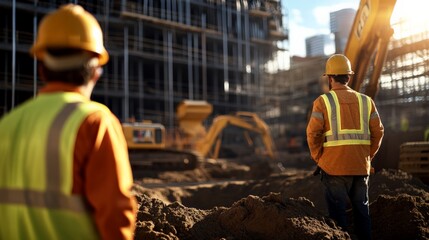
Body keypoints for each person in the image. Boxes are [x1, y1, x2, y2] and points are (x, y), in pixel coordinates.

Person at [0, 4, 136, 239]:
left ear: (42, 69)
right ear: (95, 70)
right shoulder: (94, 122)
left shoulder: (7, 124)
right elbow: (115, 214)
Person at [306, 54, 384, 240]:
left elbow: (312, 134)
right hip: (360, 167)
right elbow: (379, 133)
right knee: (362, 212)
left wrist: (319, 159)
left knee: (338, 218)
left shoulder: (322, 102)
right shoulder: (367, 102)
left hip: (333, 168)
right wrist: (366, 157)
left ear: (330, 78)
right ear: (348, 77)